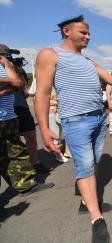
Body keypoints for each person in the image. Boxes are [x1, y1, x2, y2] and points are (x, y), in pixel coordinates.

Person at [34, 15, 112, 242]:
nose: (88, 37)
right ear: (66, 31)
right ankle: (97, 221)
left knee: (94, 162)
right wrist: (45, 128)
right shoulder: (50, 54)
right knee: (85, 166)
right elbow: (42, 93)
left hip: (98, 120)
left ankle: (86, 202)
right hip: (75, 121)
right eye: (83, 33)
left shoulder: (89, 62)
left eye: (89, 34)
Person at [0, 43, 54, 196]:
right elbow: (15, 85)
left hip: (10, 114)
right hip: (7, 113)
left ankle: (25, 183)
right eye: (6, 54)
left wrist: (13, 71)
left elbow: (21, 86)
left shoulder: (11, 68)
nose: (9, 57)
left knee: (16, 150)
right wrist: (12, 85)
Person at [11, 57, 52, 173]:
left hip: (21, 106)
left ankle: (34, 163)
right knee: (11, 142)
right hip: (6, 110)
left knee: (31, 136)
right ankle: (18, 169)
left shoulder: (18, 71)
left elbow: (24, 89)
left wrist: (17, 70)